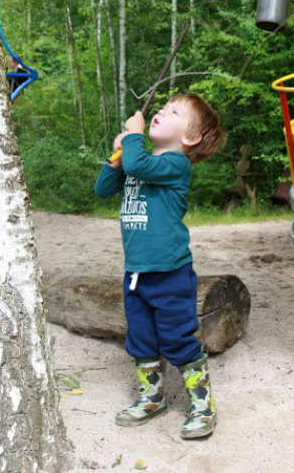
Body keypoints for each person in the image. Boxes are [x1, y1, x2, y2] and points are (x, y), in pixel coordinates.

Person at [95, 93, 223, 439]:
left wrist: (133, 135)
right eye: (163, 107)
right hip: (136, 272)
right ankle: (152, 398)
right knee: (141, 338)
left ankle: (202, 404)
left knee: (177, 337)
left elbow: (139, 166)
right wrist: (117, 156)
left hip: (170, 273)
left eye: (174, 112)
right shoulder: (140, 160)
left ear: (190, 138)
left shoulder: (175, 164)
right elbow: (103, 189)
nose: (161, 112)